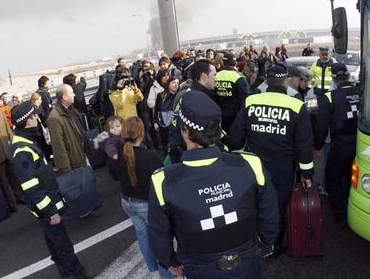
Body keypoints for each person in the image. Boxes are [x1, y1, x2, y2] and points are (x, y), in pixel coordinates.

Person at [148, 91, 279, 279]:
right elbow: (269, 211)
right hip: (247, 261)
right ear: (218, 130)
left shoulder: (163, 180)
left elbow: (159, 233)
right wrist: (268, 242)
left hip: (198, 268)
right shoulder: (250, 163)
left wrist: (169, 262)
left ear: (185, 131)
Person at [230, 64, 314, 251]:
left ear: (267, 81)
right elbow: (304, 145)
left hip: (255, 164)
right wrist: (307, 174)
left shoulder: (251, 101)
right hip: (282, 167)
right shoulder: (296, 105)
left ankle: (254, 238)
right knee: (276, 204)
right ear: (285, 81)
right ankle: (273, 243)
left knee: (255, 201)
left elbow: (235, 138)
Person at [9, 101, 90, 279]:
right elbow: (31, 187)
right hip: (46, 208)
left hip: (45, 206)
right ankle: (76, 275)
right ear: (28, 120)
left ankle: (65, 271)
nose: (38, 118)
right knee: (62, 244)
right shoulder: (22, 149)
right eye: (35, 116)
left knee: (54, 243)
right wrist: (51, 210)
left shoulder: (25, 141)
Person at [116, 117, 173, 279]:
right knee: (159, 239)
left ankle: (153, 270)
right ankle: (165, 275)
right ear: (141, 133)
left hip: (127, 202)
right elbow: (162, 179)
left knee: (142, 235)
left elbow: (114, 175)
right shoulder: (150, 156)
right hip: (146, 204)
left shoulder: (120, 154)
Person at [314, 63, 361, 222]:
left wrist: (318, 145)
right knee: (353, 176)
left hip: (340, 145)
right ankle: (352, 206)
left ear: (334, 78)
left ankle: (338, 213)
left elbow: (322, 125)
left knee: (332, 177)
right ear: (348, 76)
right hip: (362, 144)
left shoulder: (329, 97)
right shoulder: (361, 92)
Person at [169, 59, 218, 163]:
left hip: (182, 152)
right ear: (204, 76)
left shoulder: (189, 94)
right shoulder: (197, 99)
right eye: (214, 75)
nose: (216, 79)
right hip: (191, 155)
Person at [0, 92, 20, 212]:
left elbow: (8, 130)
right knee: (3, 181)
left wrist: (14, 143)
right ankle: (11, 204)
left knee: (13, 176)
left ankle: (19, 197)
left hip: (6, 151)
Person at [47, 84, 88, 175]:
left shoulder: (69, 111)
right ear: (64, 97)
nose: (74, 95)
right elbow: (59, 147)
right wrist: (67, 171)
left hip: (81, 159)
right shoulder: (55, 118)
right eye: (72, 93)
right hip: (74, 166)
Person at [214, 52, 250, 133]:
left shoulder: (215, 76)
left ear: (222, 62)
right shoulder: (239, 77)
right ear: (235, 63)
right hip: (236, 117)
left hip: (219, 116)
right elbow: (245, 99)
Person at [154, 77, 180, 154]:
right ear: (168, 84)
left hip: (175, 123)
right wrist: (156, 121)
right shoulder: (161, 95)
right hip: (163, 123)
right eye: (173, 83)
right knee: (164, 143)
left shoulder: (179, 96)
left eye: (177, 83)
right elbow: (156, 109)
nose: (176, 85)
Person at [103, 116, 124, 180]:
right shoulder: (111, 139)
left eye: (117, 126)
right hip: (116, 163)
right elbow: (110, 146)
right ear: (108, 129)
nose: (115, 129)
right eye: (112, 128)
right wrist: (113, 154)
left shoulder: (124, 135)